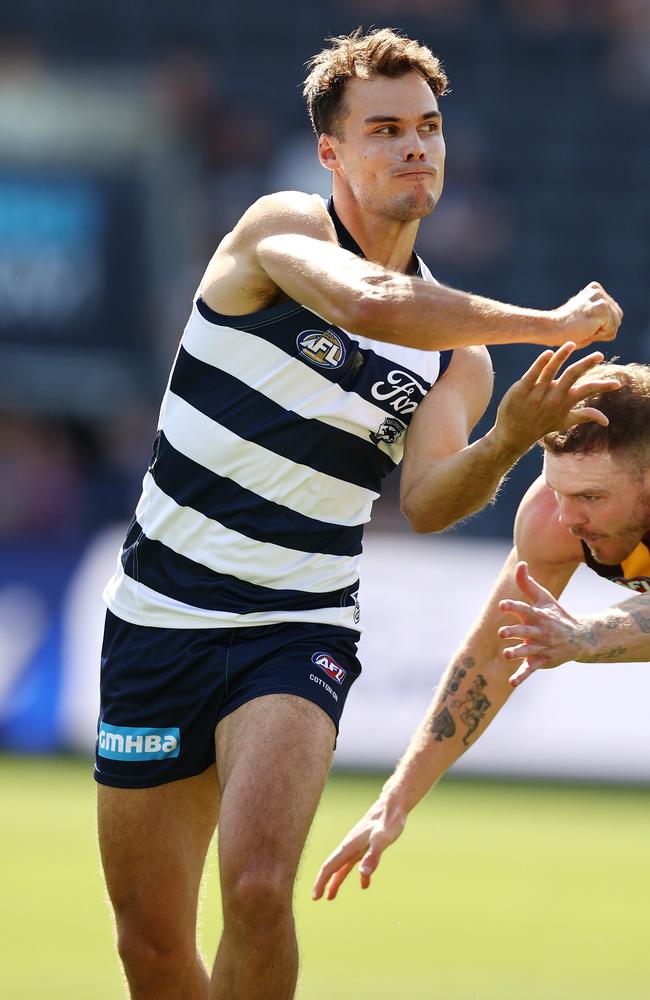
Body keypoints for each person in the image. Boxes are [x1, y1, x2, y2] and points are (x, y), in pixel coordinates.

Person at [95, 27, 622, 1000]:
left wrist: (504, 438)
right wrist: (550, 324)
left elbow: (426, 502)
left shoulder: (457, 355)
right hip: (157, 620)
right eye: (384, 129)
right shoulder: (277, 231)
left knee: (256, 890)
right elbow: (373, 304)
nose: (415, 146)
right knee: (152, 950)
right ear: (330, 152)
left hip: (295, 627)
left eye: (427, 127)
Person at [313, 360, 650, 903]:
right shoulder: (551, 517)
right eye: (560, 491)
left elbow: (593, 635)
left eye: (590, 498)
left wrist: (587, 636)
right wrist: (394, 799)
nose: (569, 518)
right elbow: (492, 656)